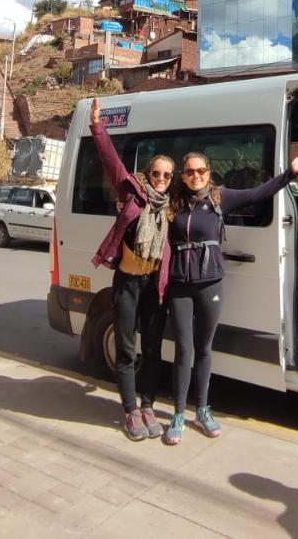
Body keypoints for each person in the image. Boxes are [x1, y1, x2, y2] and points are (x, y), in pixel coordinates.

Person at [162, 147, 298, 445]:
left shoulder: (220, 197)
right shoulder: (173, 202)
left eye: (200, 171)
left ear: (209, 171)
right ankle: (178, 414)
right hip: (179, 285)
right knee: (183, 349)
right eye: (189, 172)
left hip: (210, 283)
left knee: (204, 349)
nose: (195, 176)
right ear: (183, 175)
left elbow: (258, 194)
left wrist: (289, 174)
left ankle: (202, 410)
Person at [87, 97, 174, 442]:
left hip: (155, 284)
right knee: (126, 349)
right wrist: (97, 126)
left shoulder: (171, 207)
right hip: (127, 283)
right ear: (147, 175)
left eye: (167, 175)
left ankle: (148, 404)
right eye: (157, 173)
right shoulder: (134, 193)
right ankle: (130, 411)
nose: (162, 179)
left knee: (153, 349)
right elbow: (111, 161)